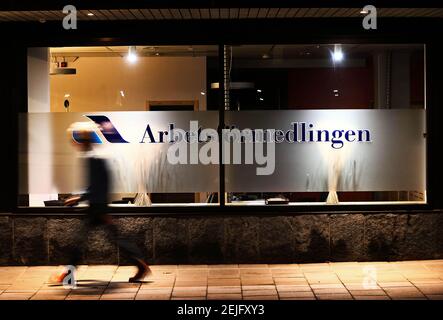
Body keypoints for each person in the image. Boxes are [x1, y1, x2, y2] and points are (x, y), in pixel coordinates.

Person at [50, 122, 151, 284]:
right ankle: (139, 264)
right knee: (110, 237)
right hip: (98, 205)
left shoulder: (92, 158)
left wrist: (81, 198)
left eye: (75, 138)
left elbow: (98, 185)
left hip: (97, 206)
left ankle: (67, 274)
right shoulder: (94, 156)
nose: (73, 142)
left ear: (82, 140)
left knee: (83, 239)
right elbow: (101, 183)